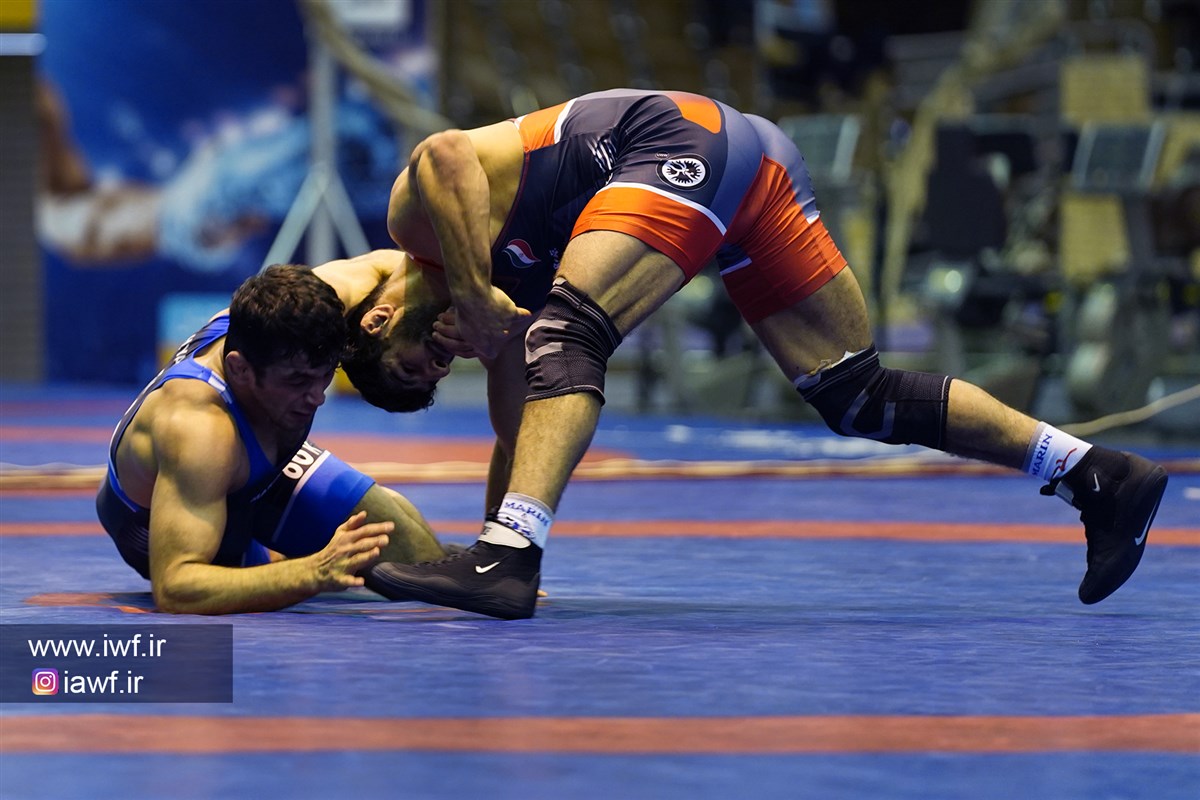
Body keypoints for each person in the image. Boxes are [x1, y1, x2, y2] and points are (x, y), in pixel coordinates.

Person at [358, 88, 1169, 620]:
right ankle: (1095, 473)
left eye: (416, 355)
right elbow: (521, 433)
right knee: (856, 392)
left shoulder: (416, 225)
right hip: (752, 170)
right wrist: (489, 536)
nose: (445, 357)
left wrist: (474, 297)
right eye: (440, 372)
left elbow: (444, 153)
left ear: (381, 315)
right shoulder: (501, 309)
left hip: (676, 142)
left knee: (569, 334)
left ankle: (509, 560)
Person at [96, 261, 454, 614]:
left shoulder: (321, 304)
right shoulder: (197, 427)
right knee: (252, 569)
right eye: (298, 381)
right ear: (240, 369)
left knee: (415, 551)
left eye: (326, 374)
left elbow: (411, 263)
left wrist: (467, 313)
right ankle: (272, 555)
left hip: (258, 472)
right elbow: (176, 588)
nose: (317, 397)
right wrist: (312, 572)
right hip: (170, 512)